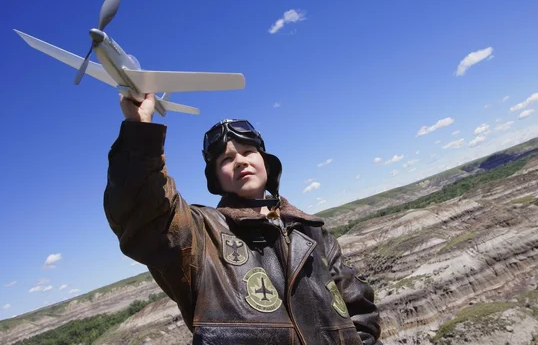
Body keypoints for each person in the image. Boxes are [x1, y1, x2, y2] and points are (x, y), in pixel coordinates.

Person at [103, 93, 382, 344]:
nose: (239, 161)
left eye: (248, 152)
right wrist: (140, 132)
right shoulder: (203, 235)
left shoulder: (313, 232)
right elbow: (147, 214)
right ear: (217, 180)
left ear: (265, 162)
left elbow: (359, 309)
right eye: (225, 160)